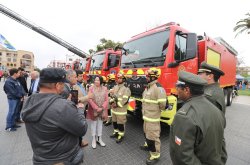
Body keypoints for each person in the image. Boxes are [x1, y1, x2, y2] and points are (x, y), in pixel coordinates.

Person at [21, 68, 88, 165]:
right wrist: (79, 109)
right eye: (62, 84)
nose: (64, 87)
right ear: (57, 85)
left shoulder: (29, 101)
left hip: (40, 158)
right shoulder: (63, 106)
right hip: (64, 159)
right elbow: (82, 129)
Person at [170, 71, 226, 165]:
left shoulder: (184, 116)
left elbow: (182, 156)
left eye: (178, 87)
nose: (176, 89)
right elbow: (221, 141)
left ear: (186, 90)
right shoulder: (216, 110)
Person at [198, 62, 227, 163]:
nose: (198, 75)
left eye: (201, 73)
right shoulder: (215, 90)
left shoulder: (209, 96)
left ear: (210, 76)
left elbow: (208, 125)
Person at [140, 68, 167, 165]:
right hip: (146, 118)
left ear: (153, 77)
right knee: (147, 135)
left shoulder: (158, 88)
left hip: (153, 119)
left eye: (147, 76)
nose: (146, 78)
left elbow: (163, 105)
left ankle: (155, 155)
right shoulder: (148, 87)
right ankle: (148, 146)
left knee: (153, 137)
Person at [61, 69, 92, 148]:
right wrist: (87, 97)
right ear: (69, 77)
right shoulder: (66, 89)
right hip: (75, 113)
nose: (77, 79)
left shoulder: (76, 86)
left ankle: (79, 142)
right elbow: (74, 102)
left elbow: (73, 101)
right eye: (76, 77)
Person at [87, 75, 109, 149]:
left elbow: (106, 100)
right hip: (94, 110)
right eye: (95, 80)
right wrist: (96, 108)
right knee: (94, 124)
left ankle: (99, 139)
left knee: (100, 124)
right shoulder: (91, 88)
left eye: (98, 80)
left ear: (101, 81)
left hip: (102, 110)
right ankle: (93, 139)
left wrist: (102, 107)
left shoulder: (105, 88)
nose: (96, 81)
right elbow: (89, 99)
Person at [109, 73, 131, 143]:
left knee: (120, 124)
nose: (119, 79)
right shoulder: (115, 87)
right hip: (114, 109)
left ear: (123, 79)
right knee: (114, 122)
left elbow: (124, 100)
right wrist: (111, 101)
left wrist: (116, 105)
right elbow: (112, 96)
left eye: (120, 78)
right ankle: (116, 132)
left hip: (121, 110)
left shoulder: (126, 89)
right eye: (118, 78)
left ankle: (121, 135)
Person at [74, 69, 90, 147]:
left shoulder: (82, 85)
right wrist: (87, 97)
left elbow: (84, 94)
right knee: (79, 127)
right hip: (78, 111)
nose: (82, 77)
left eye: (82, 76)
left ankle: (80, 140)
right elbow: (76, 100)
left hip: (83, 109)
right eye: (80, 76)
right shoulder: (74, 86)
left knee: (81, 126)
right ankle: (79, 143)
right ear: (75, 77)